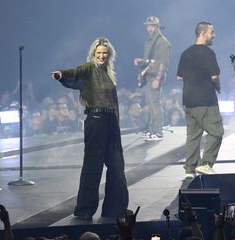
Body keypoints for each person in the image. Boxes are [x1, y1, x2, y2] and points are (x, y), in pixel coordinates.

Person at [51, 37, 129, 220]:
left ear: (109, 54)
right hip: (95, 119)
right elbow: (75, 72)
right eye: (99, 53)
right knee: (93, 166)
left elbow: (114, 101)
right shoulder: (88, 69)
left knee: (117, 165)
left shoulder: (109, 73)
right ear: (94, 54)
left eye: (104, 53)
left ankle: (115, 209)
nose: (101, 56)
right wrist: (61, 74)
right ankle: (85, 210)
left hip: (110, 121)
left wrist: (116, 121)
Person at [177, 22, 224, 179]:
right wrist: (218, 87)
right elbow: (214, 76)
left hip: (189, 101)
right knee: (217, 132)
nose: (214, 35)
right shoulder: (208, 53)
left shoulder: (185, 53)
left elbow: (179, 76)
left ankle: (190, 169)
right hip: (206, 100)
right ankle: (205, 164)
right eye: (212, 32)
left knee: (193, 135)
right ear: (203, 33)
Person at [134, 16, 171, 141]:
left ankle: (158, 132)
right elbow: (152, 60)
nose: (149, 28)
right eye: (148, 26)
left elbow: (163, 63)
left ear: (157, 26)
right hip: (149, 75)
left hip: (156, 76)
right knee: (150, 104)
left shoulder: (162, 42)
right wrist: (141, 61)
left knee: (155, 104)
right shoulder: (149, 41)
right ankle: (151, 129)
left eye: (152, 26)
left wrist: (158, 78)